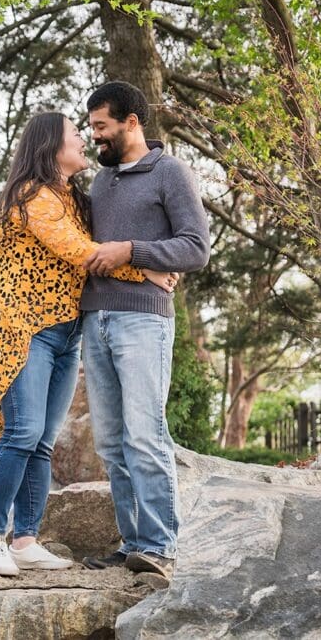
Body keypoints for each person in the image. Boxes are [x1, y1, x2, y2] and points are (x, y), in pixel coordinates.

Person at [0, 111, 177, 577]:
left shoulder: (74, 198)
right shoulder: (32, 196)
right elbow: (79, 251)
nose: (84, 139)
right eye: (74, 134)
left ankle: (25, 540)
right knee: (20, 433)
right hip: (26, 330)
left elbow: (93, 245)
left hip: (65, 333)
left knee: (42, 441)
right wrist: (144, 268)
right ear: (50, 147)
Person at [79, 81, 211, 578]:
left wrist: (134, 251)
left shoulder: (170, 172)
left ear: (132, 122)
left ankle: (159, 545)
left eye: (102, 127)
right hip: (97, 319)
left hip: (143, 320)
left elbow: (195, 248)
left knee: (145, 434)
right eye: (92, 128)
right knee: (110, 442)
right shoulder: (101, 182)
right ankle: (132, 541)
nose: (96, 138)